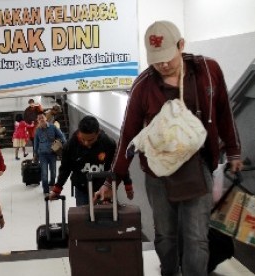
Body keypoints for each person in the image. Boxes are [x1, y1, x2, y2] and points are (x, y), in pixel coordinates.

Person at [95, 21, 243, 276]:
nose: (162, 65)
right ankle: (170, 272)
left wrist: (234, 151)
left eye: (167, 58)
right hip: (158, 175)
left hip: (199, 168)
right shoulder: (144, 86)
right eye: (156, 60)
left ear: (181, 45)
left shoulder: (208, 71)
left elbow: (223, 112)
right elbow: (128, 136)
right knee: (165, 235)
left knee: (197, 237)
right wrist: (111, 182)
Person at [49, 116, 133, 206]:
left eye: (90, 140)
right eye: (83, 139)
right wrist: (57, 189)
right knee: (84, 217)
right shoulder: (71, 145)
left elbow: (119, 164)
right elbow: (65, 168)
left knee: (104, 217)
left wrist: (128, 185)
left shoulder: (108, 144)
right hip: (82, 189)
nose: (86, 143)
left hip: (102, 188)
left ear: (98, 133)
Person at [33, 112, 66, 195]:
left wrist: (64, 144)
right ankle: (46, 190)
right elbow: (35, 143)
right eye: (39, 118)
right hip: (42, 154)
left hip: (52, 153)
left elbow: (61, 136)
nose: (41, 120)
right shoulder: (37, 131)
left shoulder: (53, 127)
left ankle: (51, 184)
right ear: (37, 120)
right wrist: (35, 155)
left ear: (46, 118)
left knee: (53, 173)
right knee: (44, 173)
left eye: (42, 118)